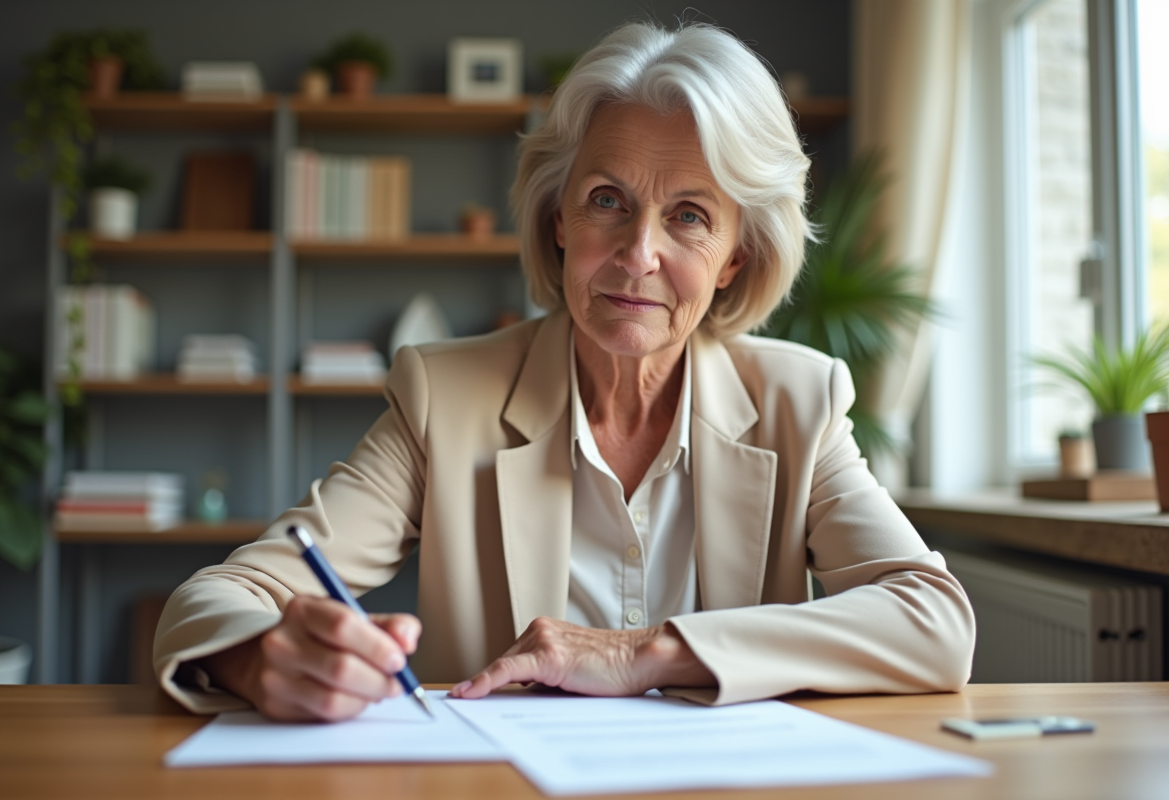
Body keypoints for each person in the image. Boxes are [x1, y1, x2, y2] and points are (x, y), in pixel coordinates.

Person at [154, 21, 974, 720]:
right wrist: (260, 656)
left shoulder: (799, 402)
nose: (638, 255)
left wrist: (648, 653)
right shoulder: (446, 400)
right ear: (557, 220)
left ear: (734, 259)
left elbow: (934, 621)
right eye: (608, 201)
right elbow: (211, 603)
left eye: (689, 216)